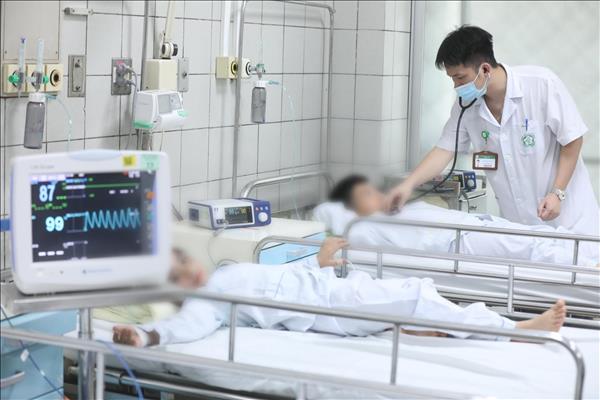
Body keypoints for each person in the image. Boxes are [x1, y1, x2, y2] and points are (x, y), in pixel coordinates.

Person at [112, 238, 566, 347]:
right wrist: (148, 336)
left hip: (332, 289)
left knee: (413, 302)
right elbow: (185, 327)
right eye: (177, 275)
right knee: (416, 294)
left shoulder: (226, 273)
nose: (189, 271)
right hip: (327, 307)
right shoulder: (206, 302)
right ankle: (515, 329)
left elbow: (279, 279)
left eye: (182, 259)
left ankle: (442, 328)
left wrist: (317, 259)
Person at [385, 25, 599, 237]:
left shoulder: (542, 84)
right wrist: (407, 185)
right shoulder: (466, 105)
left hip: (569, 221)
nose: (456, 86)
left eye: (460, 78)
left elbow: (572, 140)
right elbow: (444, 150)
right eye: (452, 79)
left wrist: (557, 193)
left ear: (485, 69)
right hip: (519, 227)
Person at [326, 175, 599, 267]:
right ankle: (589, 270)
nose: (377, 195)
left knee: (535, 234)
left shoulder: (392, 212)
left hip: (473, 226)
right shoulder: (363, 227)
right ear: (352, 208)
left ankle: (590, 257)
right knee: (526, 246)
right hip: (457, 243)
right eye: (366, 194)